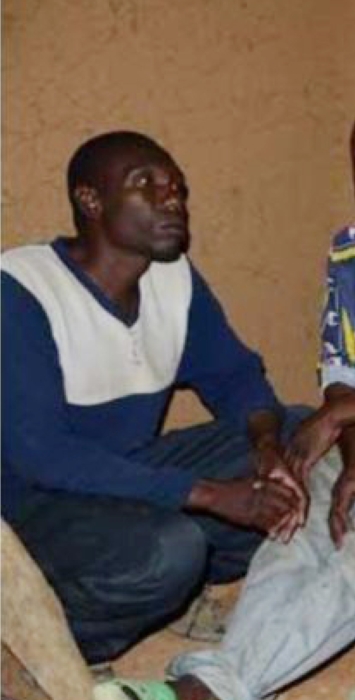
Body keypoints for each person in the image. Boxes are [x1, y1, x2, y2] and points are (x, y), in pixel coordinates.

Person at [97, 104, 355, 700]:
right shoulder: (348, 250)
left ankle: (215, 688)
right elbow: (343, 367)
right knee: (299, 522)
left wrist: (338, 419)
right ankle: (221, 675)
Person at [1, 131, 306, 668]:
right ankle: (45, 644)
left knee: (301, 437)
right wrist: (208, 494)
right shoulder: (21, 289)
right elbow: (42, 455)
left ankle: (171, 599)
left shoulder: (172, 280)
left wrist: (267, 449)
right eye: (148, 185)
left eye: (178, 188)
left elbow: (234, 376)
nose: (173, 200)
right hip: (27, 507)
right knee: (170, 548)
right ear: (90, 201)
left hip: (123, 474)